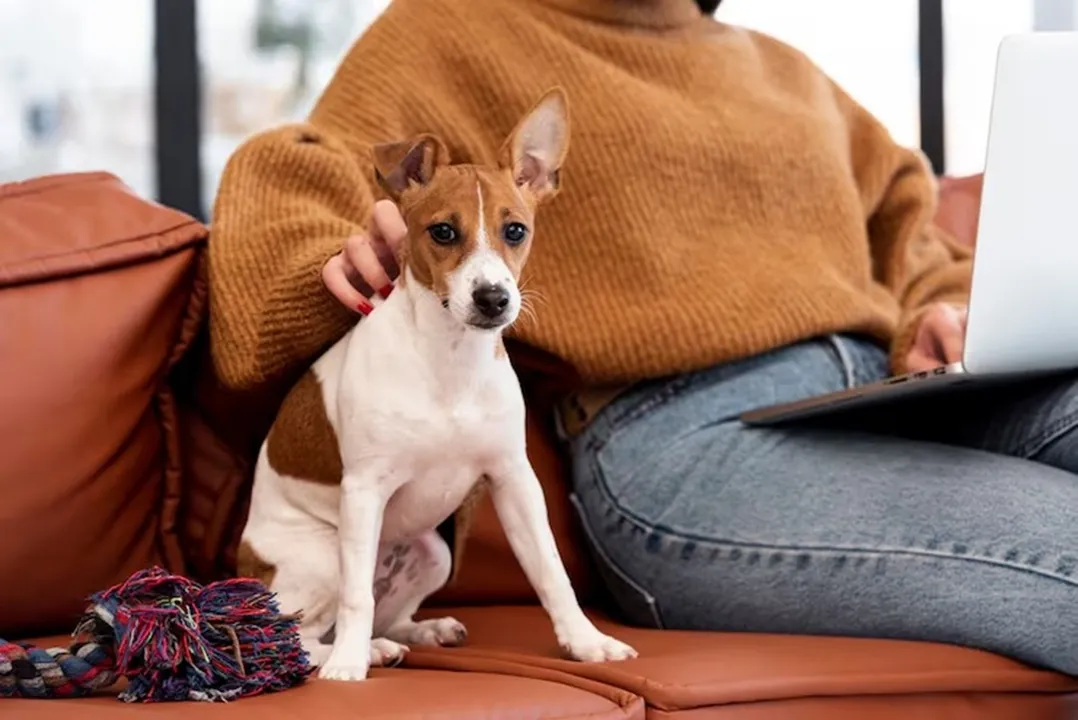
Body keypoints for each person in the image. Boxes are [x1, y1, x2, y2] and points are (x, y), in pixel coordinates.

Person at [206, 0, 1078, 675]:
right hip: (682, 441)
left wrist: (939, 306)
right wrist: (337, 254)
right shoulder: (448, 27)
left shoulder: (787, 71)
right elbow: (293, 175)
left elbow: (912, 230)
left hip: (891, 397)